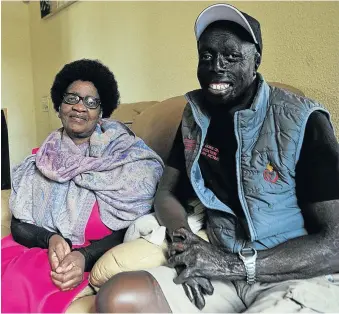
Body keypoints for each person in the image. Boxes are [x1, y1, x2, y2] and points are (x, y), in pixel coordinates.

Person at [95, 4, 339, 313]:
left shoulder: (302, 120)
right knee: (117, 297)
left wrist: (231, 265)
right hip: (220, 268)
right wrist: (183, 242)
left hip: (293, 275)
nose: (216, 66)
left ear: (256, 61)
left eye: (232, 56)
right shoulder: (196, 118)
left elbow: (335, 244)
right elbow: (167, 192)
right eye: (206, 56)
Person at [1, 59, 164, 313]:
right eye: (72, 98)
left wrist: (85, 257)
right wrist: (50, 238)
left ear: (101, 112)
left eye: (91, 102)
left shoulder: (128, 158)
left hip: (91, 259)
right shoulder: (42, 159)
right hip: (38, 251)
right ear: (59, 105)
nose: (79, 107)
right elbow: (18, 223)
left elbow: (136, 224)